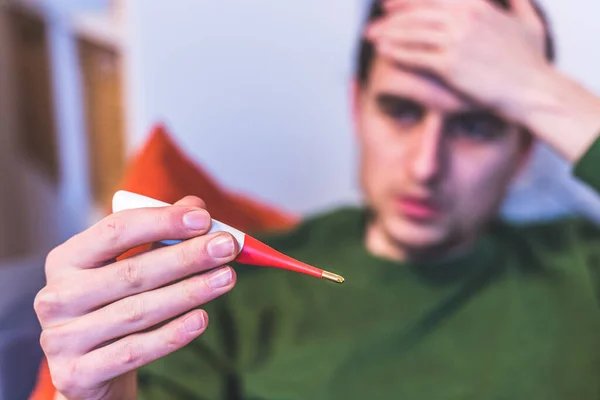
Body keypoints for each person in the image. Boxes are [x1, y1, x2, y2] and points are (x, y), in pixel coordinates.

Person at [34, 0, 600, 399]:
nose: (426, 165)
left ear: (525, 147)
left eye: (475, 126)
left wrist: (537, 87)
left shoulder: (582, 267)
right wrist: (90, 395)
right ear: (357, 107)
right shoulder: (224, 290)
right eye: (401, 111)